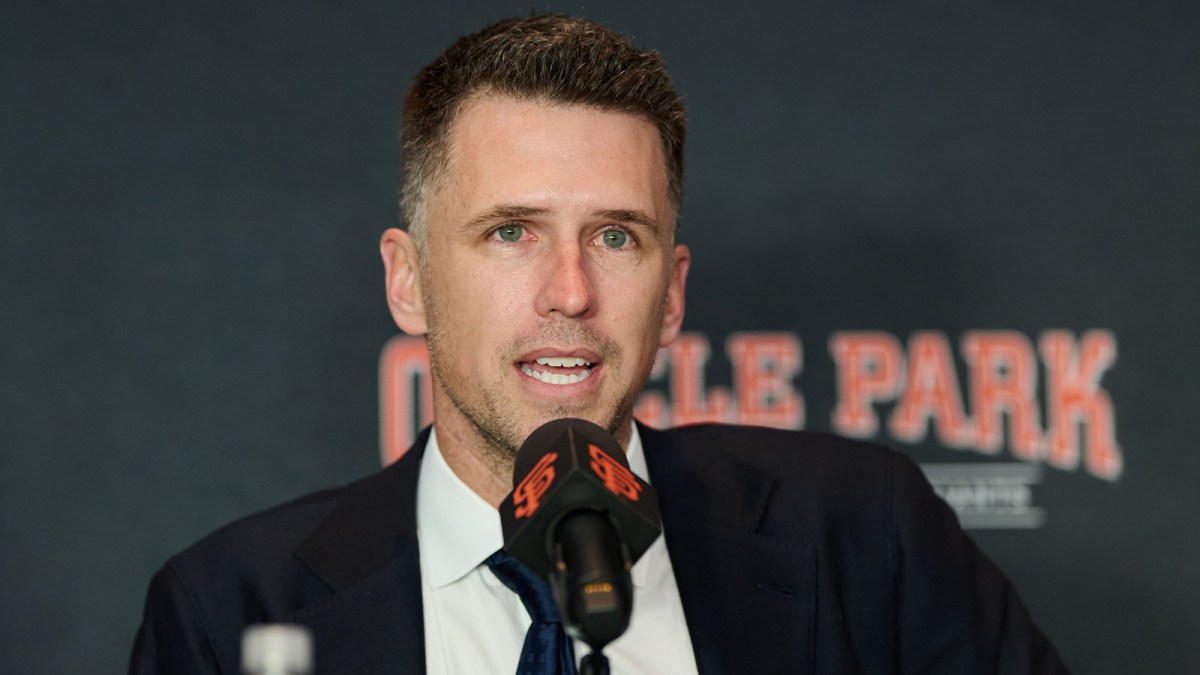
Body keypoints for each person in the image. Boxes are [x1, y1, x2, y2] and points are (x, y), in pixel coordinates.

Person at [130, 14, 1067, 674]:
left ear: (672, 293)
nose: (571, 291)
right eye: (511, 232)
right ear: (407, 280)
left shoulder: (864, 536)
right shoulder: (230, 610)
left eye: (617, 236)